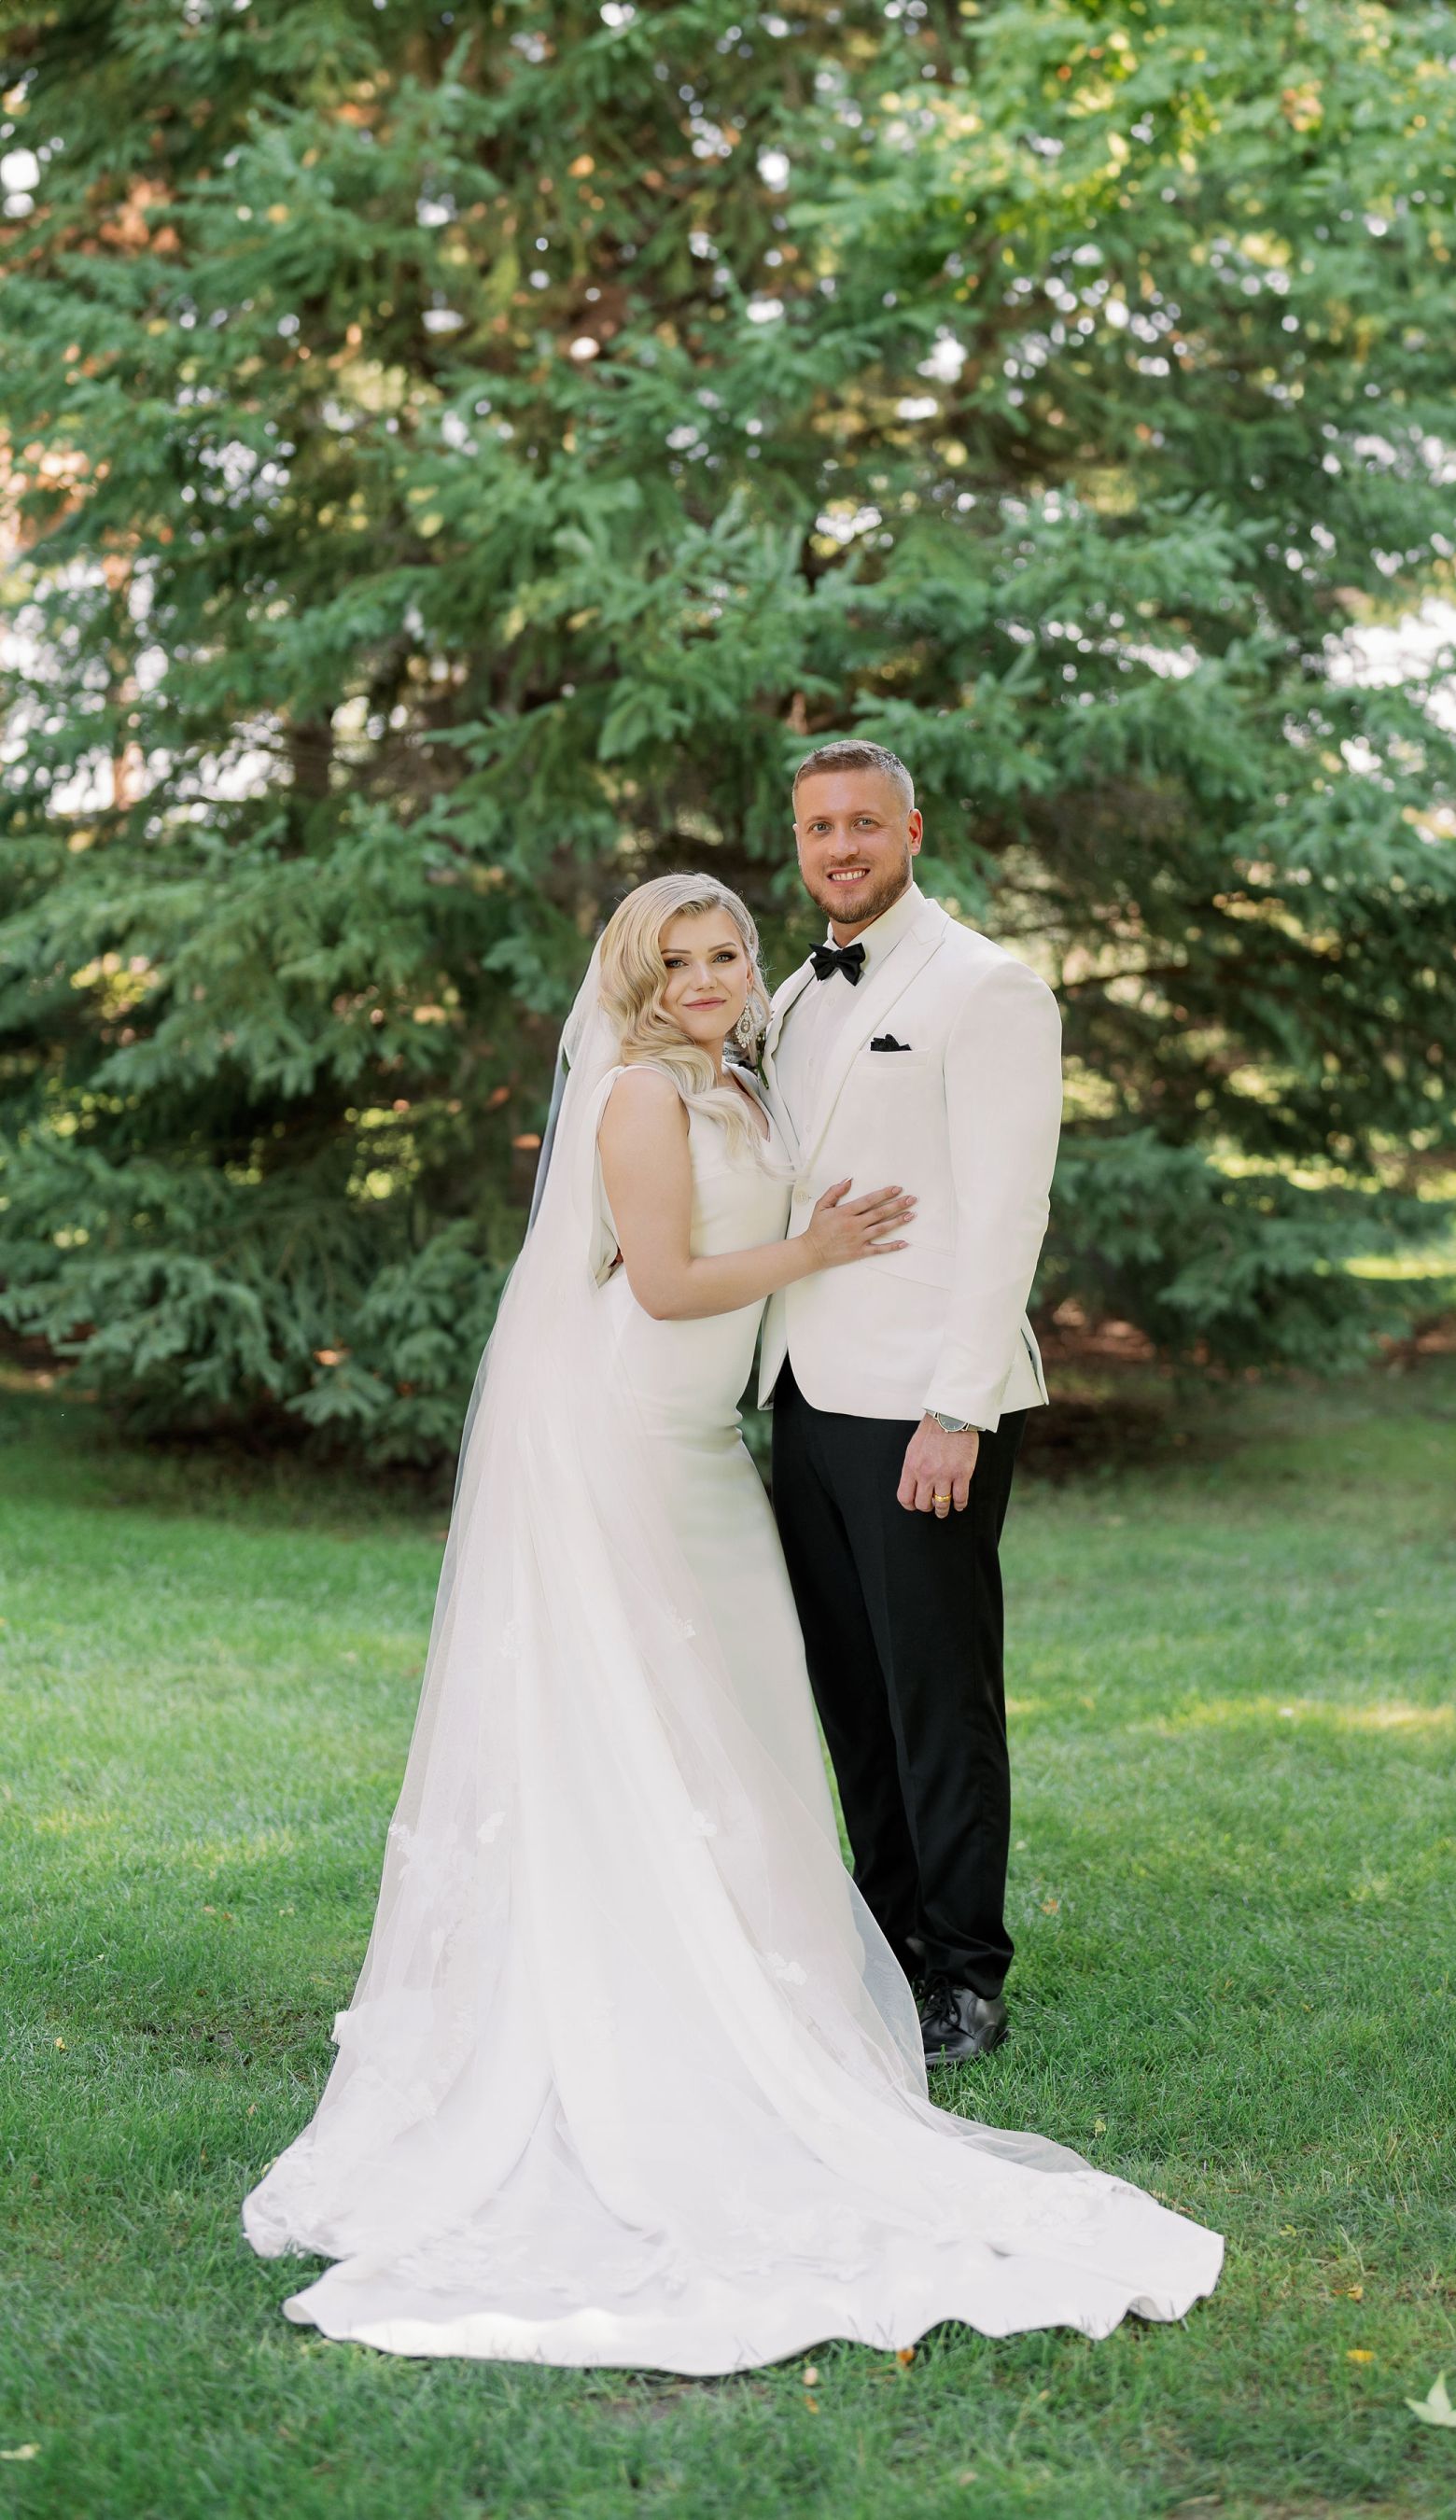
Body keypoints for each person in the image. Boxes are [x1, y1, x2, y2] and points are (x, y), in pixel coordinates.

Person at [243, 867, 1221, 2374]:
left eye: (724, 953)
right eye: (677, 959)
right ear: (634, 977)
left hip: (719, 1439)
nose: (706, 977)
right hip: (634, 1432)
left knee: (747, 1709)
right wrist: (817, 1251)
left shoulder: (747, 1064)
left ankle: (815, 1967)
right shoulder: (642, 1094)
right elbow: (672, 1275)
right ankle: (657, 1985)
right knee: (658, 1707)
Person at [761, 739, 1061, 2065]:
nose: (842, 847)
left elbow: (1007, 1212)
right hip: (803, 1397)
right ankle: (882, 1949)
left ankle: (966, 1977)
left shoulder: (985, 987)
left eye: (865, 824)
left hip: (922, 1405)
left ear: (913, 830)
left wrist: (960, 1408)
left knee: (938, 1697)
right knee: (852, 1696)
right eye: (821, 827)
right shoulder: (787, 996)